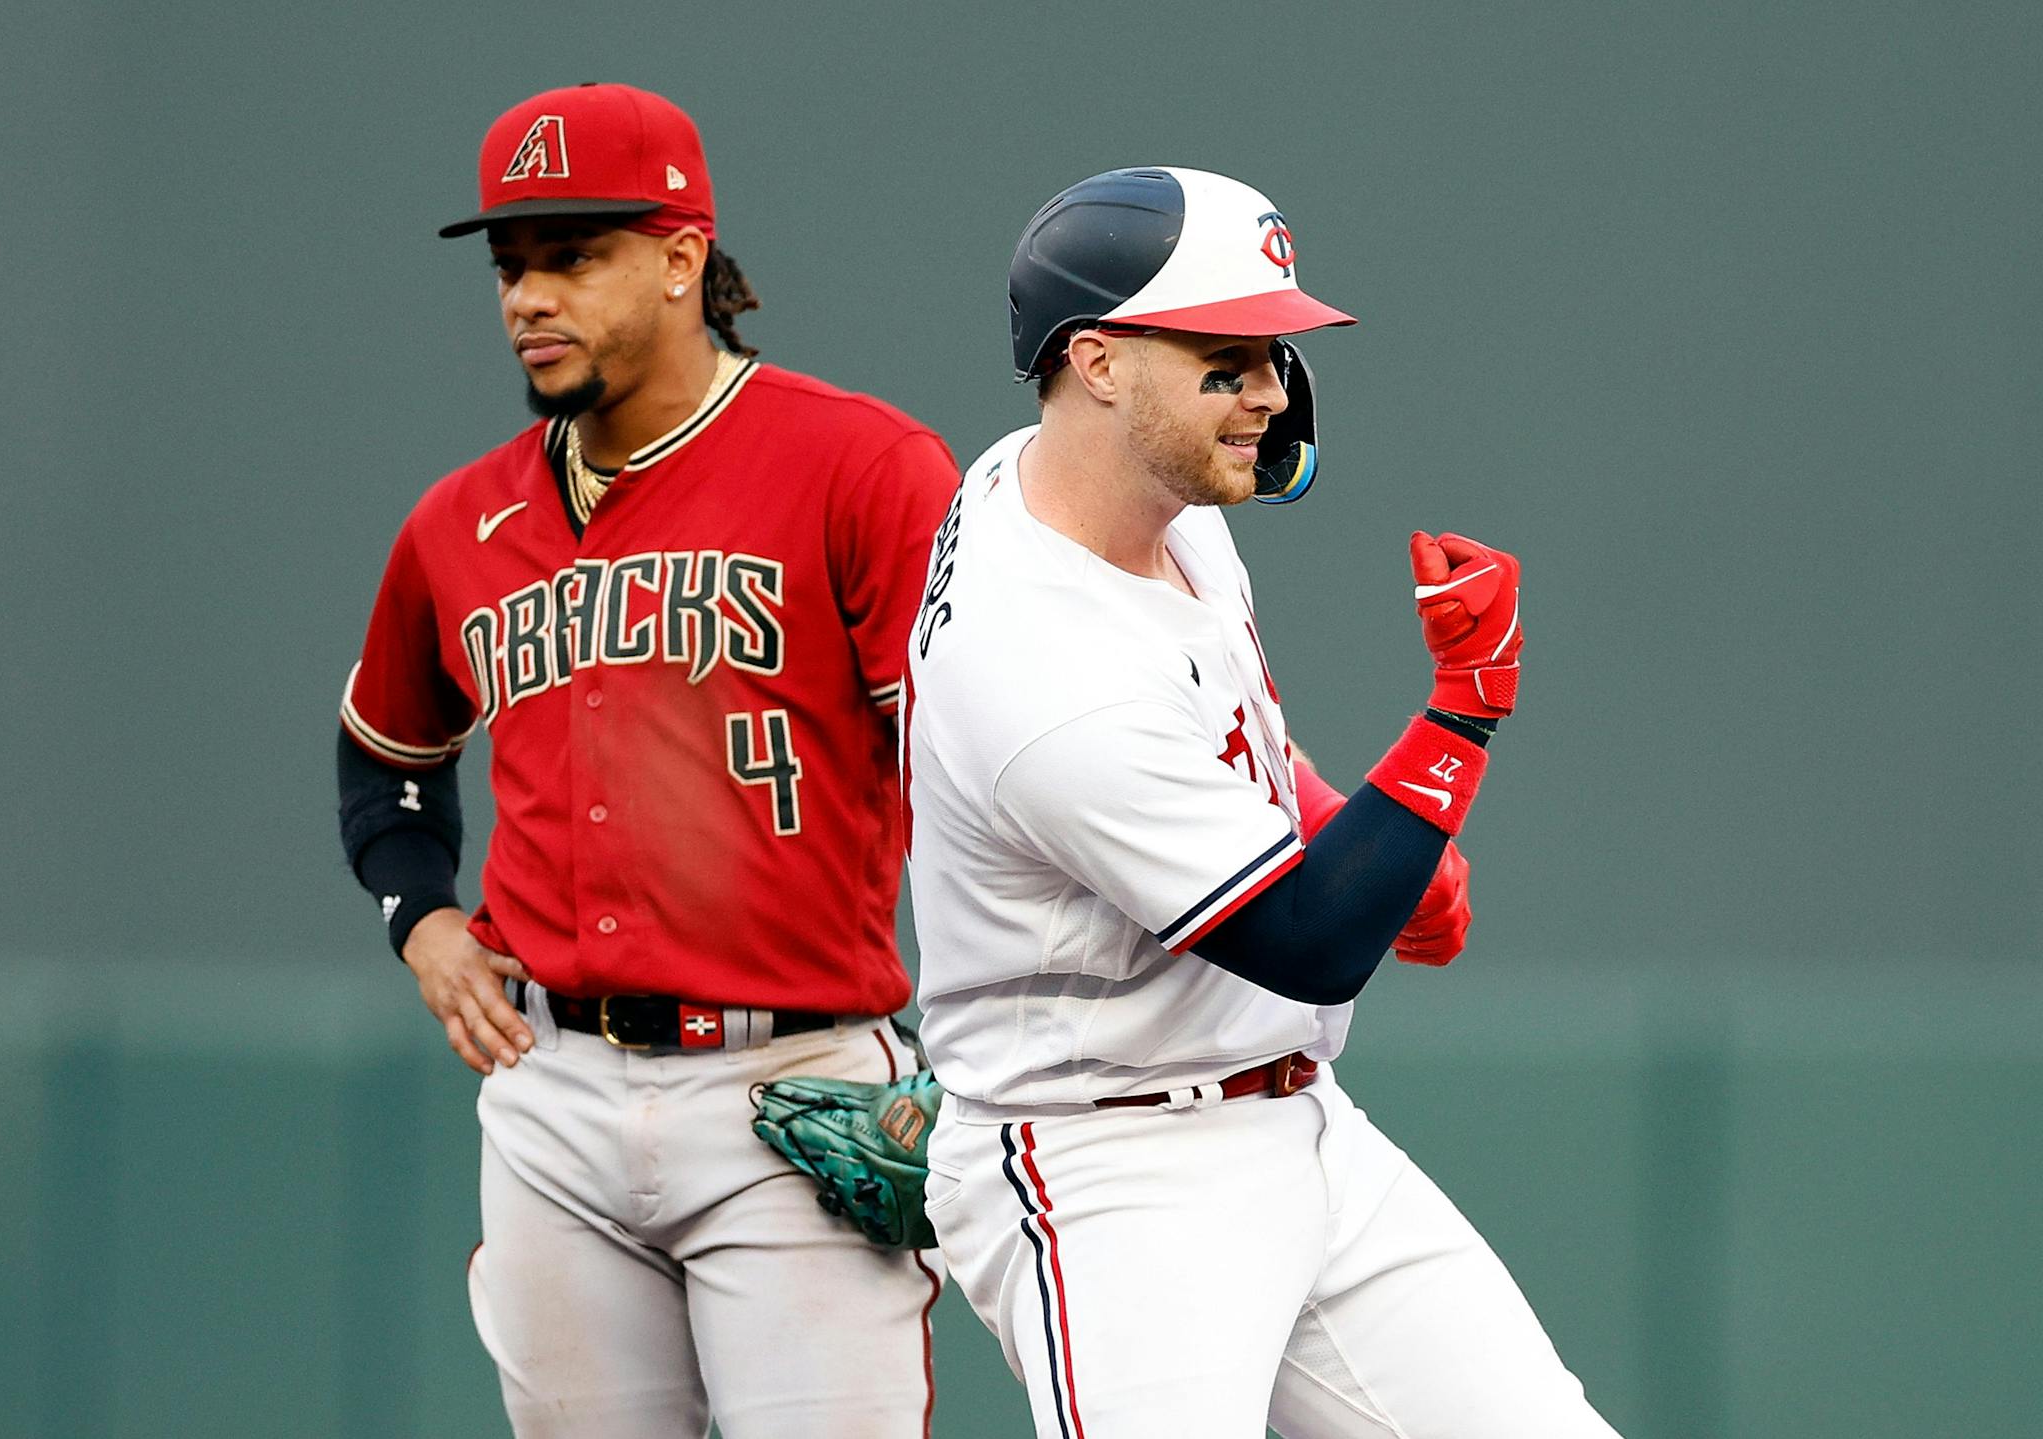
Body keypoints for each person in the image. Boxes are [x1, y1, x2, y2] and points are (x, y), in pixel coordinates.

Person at [900, 166, 1620, 1438]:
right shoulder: (1035, 665)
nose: (1272, 392)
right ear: (1100, 360)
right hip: (1108, 1162)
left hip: (1296, 1123)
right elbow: (1307, 943)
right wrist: (1458, 719)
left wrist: (1361, 822)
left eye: (1276, 353)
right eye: (1227, 356)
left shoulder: (1090, 482)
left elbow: (1225, 730)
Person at [334, 83, 957, 1438]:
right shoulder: (459, 522)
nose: (528, 297)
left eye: (573, 256)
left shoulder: (860, 466)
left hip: (793, 1088)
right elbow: (383, 756)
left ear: (684, 259)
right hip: (550, 1094)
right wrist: (424, 917)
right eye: (512, 265)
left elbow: (985, 761)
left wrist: (975, 1032)